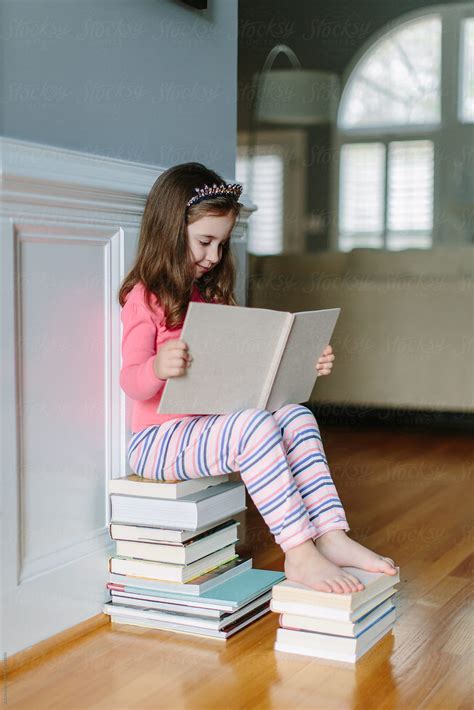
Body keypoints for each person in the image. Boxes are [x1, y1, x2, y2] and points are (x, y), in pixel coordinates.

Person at [118, 162, 398, 594]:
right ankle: (301, 553)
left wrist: (303, 364)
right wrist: (157, 368)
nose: (213, 257)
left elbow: (240, 376)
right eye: (204, 242)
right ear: (171, 232)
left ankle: (331, 536)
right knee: (254, 425)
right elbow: (131, 382)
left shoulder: (205, 297)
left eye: (221, 245)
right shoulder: (145, 297)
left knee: (295, 414)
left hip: (205, 429)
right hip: (157, 441)